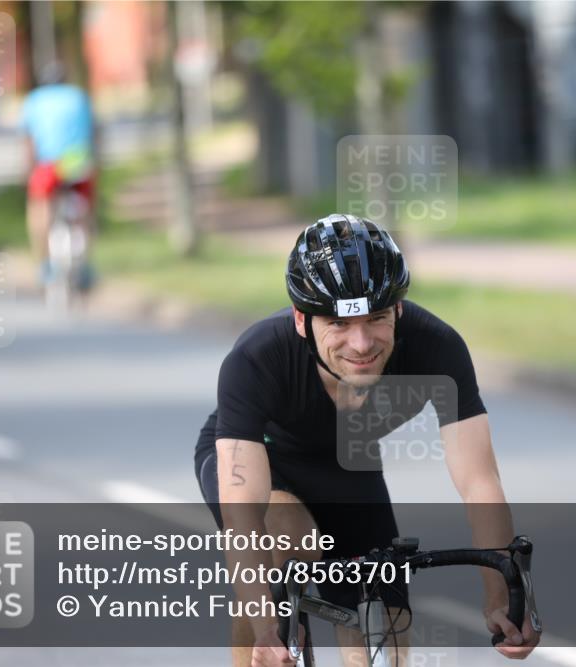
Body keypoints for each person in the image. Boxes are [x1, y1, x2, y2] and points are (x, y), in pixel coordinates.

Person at [194, 214, 539, 666]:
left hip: (348, 466)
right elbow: (243, 514)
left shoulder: (437, 348)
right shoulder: (256, 358)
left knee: (387, 636)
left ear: (398, 309)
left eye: (376, 317)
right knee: (289, 538)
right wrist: (265, 626)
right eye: (338, 323)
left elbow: (479, 482)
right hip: (263, 465)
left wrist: (501, 597)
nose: (361, 344)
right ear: (301, 319)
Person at [21, 62, 95, 286]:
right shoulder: (79, 97)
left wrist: (28, 170)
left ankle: (44, 264)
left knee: (39, 208)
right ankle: (86, 265)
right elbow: (92, 132)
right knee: (86, 207)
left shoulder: (34, 100)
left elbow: (29, 141)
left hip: (49, 164)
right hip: (78, 161)